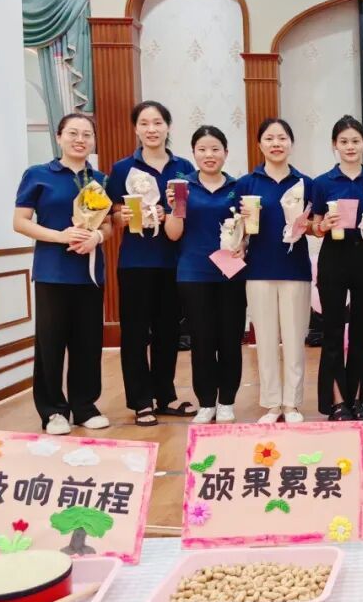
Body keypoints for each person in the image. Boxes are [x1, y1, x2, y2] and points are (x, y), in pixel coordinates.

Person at [14, 113, 113, 435]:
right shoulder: (38, 174)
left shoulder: (99, 179)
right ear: (59, 137)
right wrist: (60, 236)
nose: (80, 139)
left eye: (86, 134)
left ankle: (84, 407)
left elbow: (109, 225)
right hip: (52, 273)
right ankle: (53, 411)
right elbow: (20, 222)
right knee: (50, 344)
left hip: (89, 274)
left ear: (93, 141)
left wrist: (96, 237)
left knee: (88, 343)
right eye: (73, 133)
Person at [106, 101, 195, 427]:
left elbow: (186, 212)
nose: (152, 129)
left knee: (168, 332)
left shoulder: (184, 168)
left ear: (167, 126)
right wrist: (127, 215)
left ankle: (165, 395)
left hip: (173, 261)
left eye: (158, 122)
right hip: (135, 262)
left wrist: (168, 213)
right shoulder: (122, 169)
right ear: (136, 129)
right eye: (144, 123)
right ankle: (141, 401)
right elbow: (112, 215)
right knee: (134, 332)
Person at [165, 126, 245, 424]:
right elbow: (173, 234)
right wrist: (175, 208)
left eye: (215, 149)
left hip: (231, 274)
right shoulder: (183, 187)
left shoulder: (238, 187)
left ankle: (227, 401)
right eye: (202, 149)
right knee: (202, 340)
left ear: (226, 152)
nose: (209, 155)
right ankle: (206, 402)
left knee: (230, 339)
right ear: (194, 153)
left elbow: (247, 232)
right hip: (193, 274)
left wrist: (243, 246)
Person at [236, 118, 313, 425]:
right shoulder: (247, 183)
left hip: (295, 269)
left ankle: (292, 403)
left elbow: (316, 225)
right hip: (258, 269)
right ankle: (271, 404)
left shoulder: (305, 183)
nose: (276, 144)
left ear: (291, 144)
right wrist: (241, 224)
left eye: (282, 138)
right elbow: (235, 230)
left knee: (294, 339)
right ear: (260, 145)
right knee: (265, 340)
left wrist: (310, 224)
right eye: (269, 138)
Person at [311, 116, 363, 422]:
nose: (350, 147)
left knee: (360, 332)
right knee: (333, 331)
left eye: (355, 141)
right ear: (334, 146)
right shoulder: (322, 183)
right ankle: (337, 401)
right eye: (344, 142)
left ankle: (358, 400)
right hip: (333, 258)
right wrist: (323, 225)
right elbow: (315, 226)